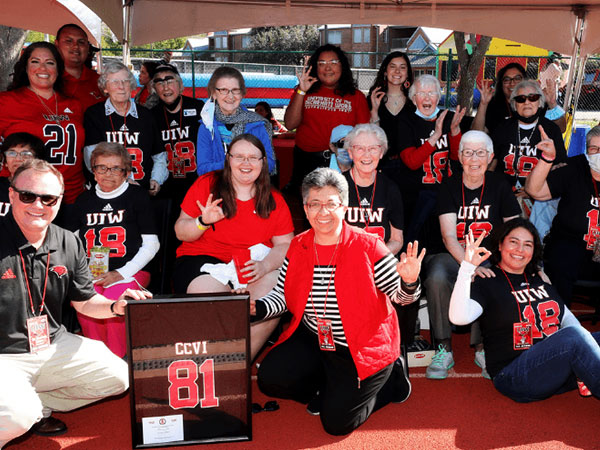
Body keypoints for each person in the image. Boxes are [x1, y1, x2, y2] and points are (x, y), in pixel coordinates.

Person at [254, 167, 424, 435]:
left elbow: (402, 298)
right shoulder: (298, 245)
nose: (323, 212)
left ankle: (391, 381)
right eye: (315, 204)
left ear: (344, 207)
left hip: (361, 344)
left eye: (331, 204)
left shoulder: (369, 246)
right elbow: (284, 296)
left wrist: (410, 282)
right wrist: (259, 307)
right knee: (270, 379)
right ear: (306, 209)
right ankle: (333, 386)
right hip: (316, 338)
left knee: (336, 424)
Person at [0, 159, 151, 448]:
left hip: (52, 344)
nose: (38, 205)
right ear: (11, 195)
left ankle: (34, 401)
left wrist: (115, 305)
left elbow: (85, 302)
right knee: (18, 416)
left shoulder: (68, 241)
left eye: (48, 198)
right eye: (28, 195)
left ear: (59, 202)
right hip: (3, 354)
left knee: (118, 377)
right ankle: (23, 407)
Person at [449, 219, 600, 401]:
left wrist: (584, 349)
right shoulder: (487, 279)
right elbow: (458, 318)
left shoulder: (538, 278)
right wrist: (467, 268)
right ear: (500, 244)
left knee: (578, 336)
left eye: (527, 245)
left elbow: (567, 319)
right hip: (514, 375)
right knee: (573, 337)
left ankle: (584, 373)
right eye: (514, 242)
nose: (520, 250)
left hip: (552, 366)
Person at [174, 134, 294, 359]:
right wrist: (203, 222)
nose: (245, 163)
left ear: (263, 162)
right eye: (239, 156)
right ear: (228, 159)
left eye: (252, 158)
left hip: (252, 265)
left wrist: (265, 265)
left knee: (272, 302)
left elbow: (286, 245)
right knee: (220, 308)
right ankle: (217, 363)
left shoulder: (274, 198)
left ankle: (235, 367)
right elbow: (181, 231)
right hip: (202, 260)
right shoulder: (207, 184)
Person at [424, 131, 521, 380]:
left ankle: (482, 347)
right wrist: (470, 266)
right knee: (436, 276)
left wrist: (504, 261)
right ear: (459, 157)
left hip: (489, 255)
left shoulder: (500, 185)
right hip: (453, 255)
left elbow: (514, 229)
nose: (474, 158)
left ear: (489, 157)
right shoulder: (448, 186)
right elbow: (448, 237)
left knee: (489, 275)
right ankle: (443, 347)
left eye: (480, 153)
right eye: (468, 152)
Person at [69, 143, 159, 357]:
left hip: (131, 270)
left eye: (116, 168)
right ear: (93, 170)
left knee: (115, 297)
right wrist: (82, 273)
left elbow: (152, 244)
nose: (108, 173)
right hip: (92, 272)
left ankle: (119, 359)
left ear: (126, 172)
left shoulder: (137, 197)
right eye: (101, 167)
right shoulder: (83, 201)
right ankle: (99, 359)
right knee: (86, 297)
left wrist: (122, 273)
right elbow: (71, 243)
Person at [0, 41, 86, 205]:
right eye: (35, 62)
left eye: (50, 63)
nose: (43, 68)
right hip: (26, 197)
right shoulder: (6, 102)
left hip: (71, 196)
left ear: (58, 69)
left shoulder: (74, 105)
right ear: (25, 68)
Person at [526, 125, 600, 306]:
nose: (599, 154)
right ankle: (560, 323)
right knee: (562, 260)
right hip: (571, 244)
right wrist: (547, 159)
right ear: (587, 151)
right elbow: (534, 190)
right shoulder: (574, 168)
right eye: (594, 149)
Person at [284, 45, 370, 193]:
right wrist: (301, 91)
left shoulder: (356, 96)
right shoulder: (304, 90)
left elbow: (363, 136)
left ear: (342, 66)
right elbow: (290, 124)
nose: (327, 68)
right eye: (322, 63)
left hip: (342, 162)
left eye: (333, 63)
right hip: (307, 162)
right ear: (315, 67)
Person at [395, 74, 465, 248]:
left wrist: (455, 131)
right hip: (417, 194)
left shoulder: (448, 118)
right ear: (413, 99)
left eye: (432, 93)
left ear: (438, 97)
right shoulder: (405, 121)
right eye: (422, 93)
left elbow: (457, 158)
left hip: (445, 192)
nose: (427, 98)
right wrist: (435, 137)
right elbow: (412, 162)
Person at [83, 61, 168, 195]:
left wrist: (156, 180)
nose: (121, 86)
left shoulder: (146, 115)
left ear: (131, 85)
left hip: (142, 191)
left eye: (125, 81)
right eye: (115, 82)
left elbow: (159, 155)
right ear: (105, 87)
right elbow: (91, 159)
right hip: (108, 192)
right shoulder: (94, 115)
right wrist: (125, 182)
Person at [491, 80, 566, 218]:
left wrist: (534, 189)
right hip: (506, 194)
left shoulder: (551, 129)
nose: (527, 102)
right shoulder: (502, 128)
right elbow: (492, 165)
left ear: (540, 102)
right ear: (514, 104)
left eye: (533, 97)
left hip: (541, 197)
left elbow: (560, 167)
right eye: (521, 99)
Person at [196, 67, 276, 176]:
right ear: (214, 94)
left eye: (235, 90)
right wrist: (233, 163)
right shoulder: (207, 126)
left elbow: (269, 165)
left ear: (242, 93)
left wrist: (240, 165)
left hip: (252, 188)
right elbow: (202, 169)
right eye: (223, 90)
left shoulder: (257, 124)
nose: (230, 96)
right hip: (218, 188)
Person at [150, 63, 204, 204]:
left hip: (197, 182)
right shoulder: (152, 116)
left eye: (169, 81)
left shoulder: (199, 108)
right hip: (167, 185)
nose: (166, 87)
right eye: (160, 83)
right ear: (154, 89)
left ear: (180, 85)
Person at [473, 62, 566, 134]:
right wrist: (483, 104)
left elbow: (561, 129)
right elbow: (476, 133)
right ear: (501, 84)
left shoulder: (537, 101)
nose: (512, 83)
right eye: (507, 79)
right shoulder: (494, 104)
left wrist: (552, 104)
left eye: (517, 78)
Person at [367, 51, 416, 183]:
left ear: (407, 73)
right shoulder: (372, 99)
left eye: (402, 67)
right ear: (385, 71)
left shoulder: (415, 101)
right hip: (381, 167)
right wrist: (375, 111)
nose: (397, 71)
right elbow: (370, 138)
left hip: (410, 169)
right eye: (393, 66)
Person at [54, 24, 104, 112]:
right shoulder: (46, 80)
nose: (76, 46)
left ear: (88, 47)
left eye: (81, 42)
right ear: (57, 45)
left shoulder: (100, 82)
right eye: (69, 41)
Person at [0, 133, 45, 219]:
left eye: (26, 154)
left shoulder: (46, 190)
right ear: (5, 162)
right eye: (12, 153)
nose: (18, 159)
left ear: (38, 161)